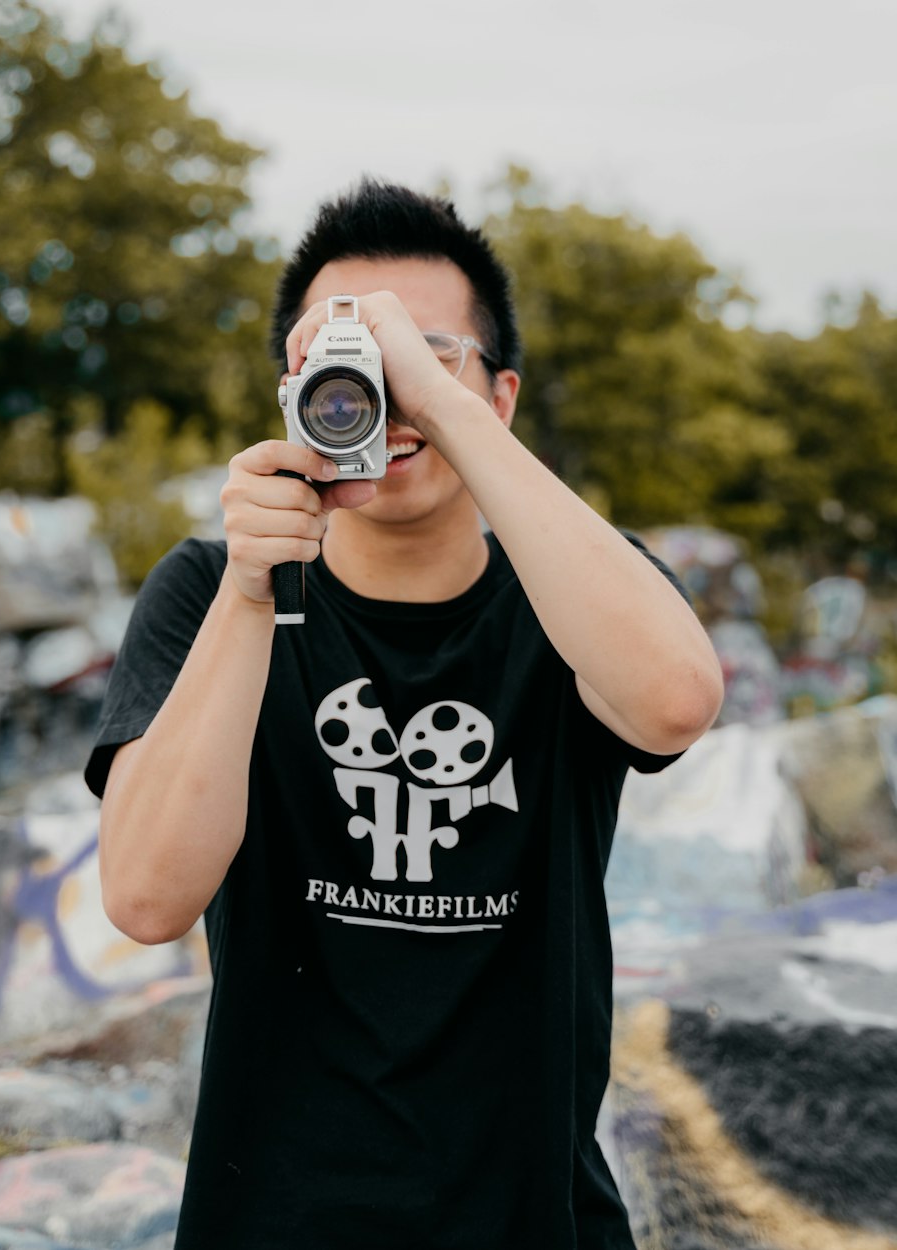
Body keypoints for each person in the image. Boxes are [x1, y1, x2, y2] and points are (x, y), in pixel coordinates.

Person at [84, 178, 724, 1249]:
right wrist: (256, 588)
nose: (387, 391)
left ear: (500, 397)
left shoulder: (569, 600)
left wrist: (440, 404)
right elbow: (146, 895)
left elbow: (673, 702)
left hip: (538, 1219)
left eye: (425, 356)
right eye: (344, 360)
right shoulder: (210, 591)